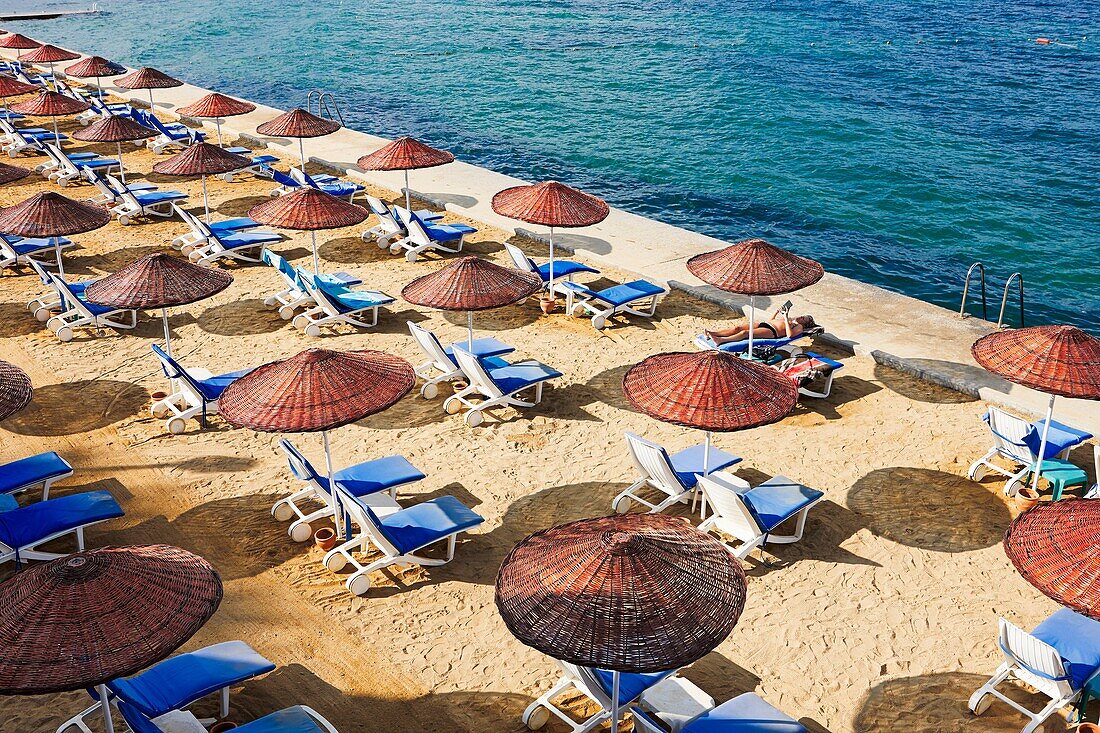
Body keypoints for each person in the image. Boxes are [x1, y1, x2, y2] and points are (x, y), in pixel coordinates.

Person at [705, 307, 816, 346]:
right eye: (802, 316)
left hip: (772, 332)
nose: (801, 317)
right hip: (766, 324)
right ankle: (713, 333)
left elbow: (789, 335)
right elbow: (771, 320)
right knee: (737, 328)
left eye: (803, 318)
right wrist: (777, 312)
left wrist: (786, 318)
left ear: (805, 323)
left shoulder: (799, 327)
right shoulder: (791, 319)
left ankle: (720, 340)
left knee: (745, 334)